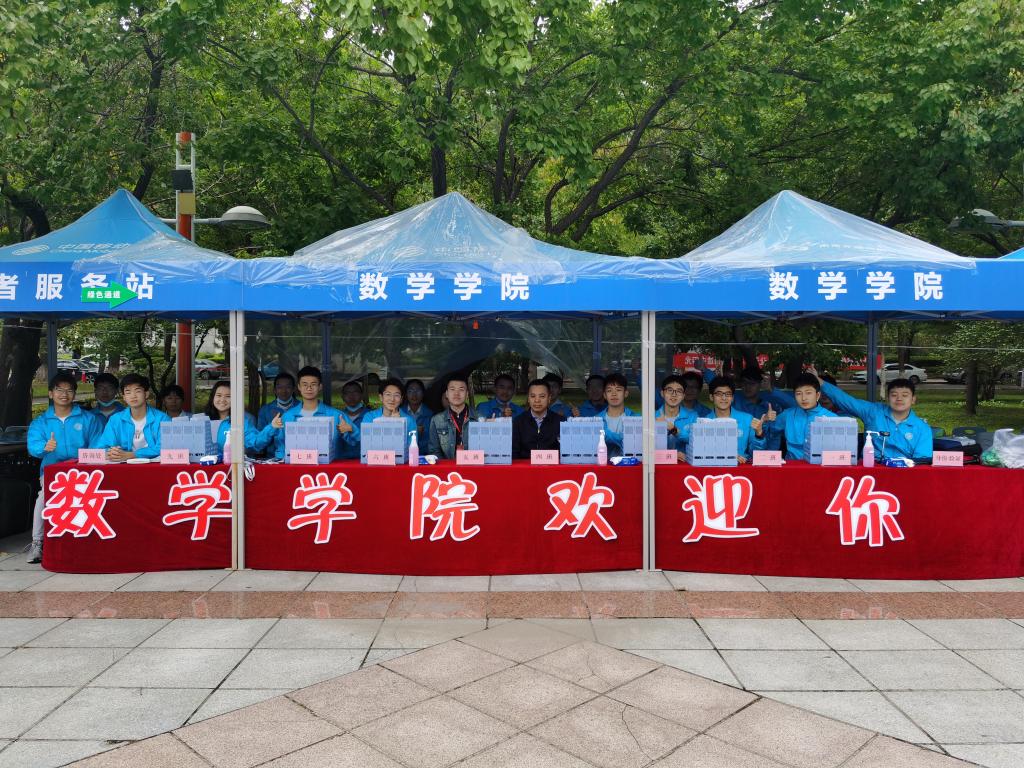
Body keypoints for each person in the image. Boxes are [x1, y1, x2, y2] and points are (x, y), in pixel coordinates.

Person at [25, 373, 104, 563]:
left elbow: (99, 445)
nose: (64, 394)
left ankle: (93, 543)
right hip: (53, 473)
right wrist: (44, 447)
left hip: (85, 472)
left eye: (69, 390)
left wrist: (85, 463)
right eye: (59, 390)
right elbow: (33, 447)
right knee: (44, 497)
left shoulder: (89, 419)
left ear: (74, 394)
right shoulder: (41, 422)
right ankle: (37, 543)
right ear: (51, 394)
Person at [810, 366, 933, 462]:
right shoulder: (873, 412)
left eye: (905, 395)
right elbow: (846, 401)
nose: (899, 399)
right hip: (870, 471)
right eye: (894, 395)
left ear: (913, 399)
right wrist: (819, 381)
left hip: (904, 475)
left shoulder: (922, 428)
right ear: (887, 398)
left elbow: (922, 461)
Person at [267, 366, 359, 461]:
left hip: (329, 469)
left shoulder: (337, 416)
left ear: (320, 387)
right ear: (299, 387)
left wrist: (351, 431)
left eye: (313, 384)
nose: (309, 388)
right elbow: (281, 448)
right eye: (305, 384)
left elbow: (357, 444)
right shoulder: (287, 417)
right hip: (297, 468)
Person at [682, 376, 767, 463]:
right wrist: (727, 456)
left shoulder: (747, 419)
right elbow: (698, 453)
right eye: (719, 394)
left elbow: (756, 454)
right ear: (711, 397)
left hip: (740, 468)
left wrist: (759, 435)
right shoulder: (703, 422)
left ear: (732, 398)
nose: (723, 398)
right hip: (712, 468)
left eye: (728, 394)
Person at [762, 373, 836, 461]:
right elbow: (769, 432)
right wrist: (765, 421)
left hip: (820, 467)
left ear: (817, 395)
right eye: (799, 393)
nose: (804, 398)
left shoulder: (833, 419)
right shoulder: (787, 415)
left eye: (808, 393)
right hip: (792, 466)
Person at [96, 373, 169, 461]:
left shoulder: (163, 419)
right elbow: (103, 447)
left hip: (154, 466)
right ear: (124, 397)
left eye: (137, 391)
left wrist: (132, 455)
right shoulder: (115, 420)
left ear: (146, 394)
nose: (133, 396)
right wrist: (112, 452)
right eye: (128, 392)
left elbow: (165, 448)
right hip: (124, 466)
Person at [205, 380, 268, 460]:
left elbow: (255, 444)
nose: (222, 399)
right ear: (212, 397)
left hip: (236, 465)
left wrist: (271, 427)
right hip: (207, 466)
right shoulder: (204, 420)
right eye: (219, 395)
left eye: (228, 396)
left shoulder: (243, 421)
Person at [512, 379, 566, 458]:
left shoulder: (561, 421)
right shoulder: (518, 422)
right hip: (526, 465)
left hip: (552, 465)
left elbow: (564, 452)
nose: (537, 400)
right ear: (528, 399)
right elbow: (514, 453)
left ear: (549, 398)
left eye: (542, 396)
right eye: (533, 396)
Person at [427, 376, 478, 459]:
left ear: (467, 394)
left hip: (473, 465)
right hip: (447, 466)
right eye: (452, 389)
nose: (456, 393)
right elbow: (434, 451)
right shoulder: (436, 420)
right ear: (447, 394)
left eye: (461, 389)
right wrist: (447, 466)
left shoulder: (479, 418)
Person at [655, 374, 709, 450]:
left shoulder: (693, 416)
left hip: (684, 458)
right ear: (662, 393)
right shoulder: (652, 417)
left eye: (679, 391)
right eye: (670, 390)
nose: (674, 394)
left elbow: (698, 441)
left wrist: (674, 430)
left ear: (683, 395)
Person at [600, 373, 635, 457]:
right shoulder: (596, 419)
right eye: (609, 390)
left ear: (626, 393)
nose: (614, 394)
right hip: (603, 464)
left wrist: (605, 435)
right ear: (604, 395)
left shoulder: (636, 418)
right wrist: (623, 437)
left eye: (618, 390)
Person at [403, 378, 433, 454]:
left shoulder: (430, 414)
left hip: (424, 455)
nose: (414, 394)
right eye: (410, 391)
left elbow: (432, 441)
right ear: (406, 394)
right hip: (404, 454)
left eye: (418, 390)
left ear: (423, 393)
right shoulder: (399, 413)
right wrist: (415, 431)